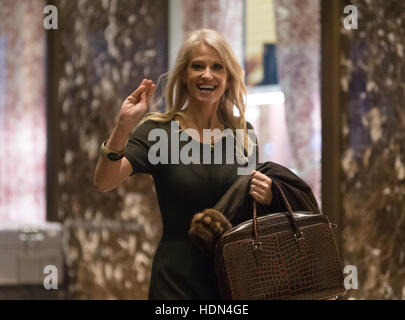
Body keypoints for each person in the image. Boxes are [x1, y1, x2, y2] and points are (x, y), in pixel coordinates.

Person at [93, 29, 273, 299]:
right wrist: (123, 126)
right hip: (176, 279)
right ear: (184, 76)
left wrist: (267, 195)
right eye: (197, 66)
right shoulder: (158, 132)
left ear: (228, 77)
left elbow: (247, 206)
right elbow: (104, 181)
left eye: (217, 67)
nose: (207, 75)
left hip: (231, 275)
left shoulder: (243, 135)